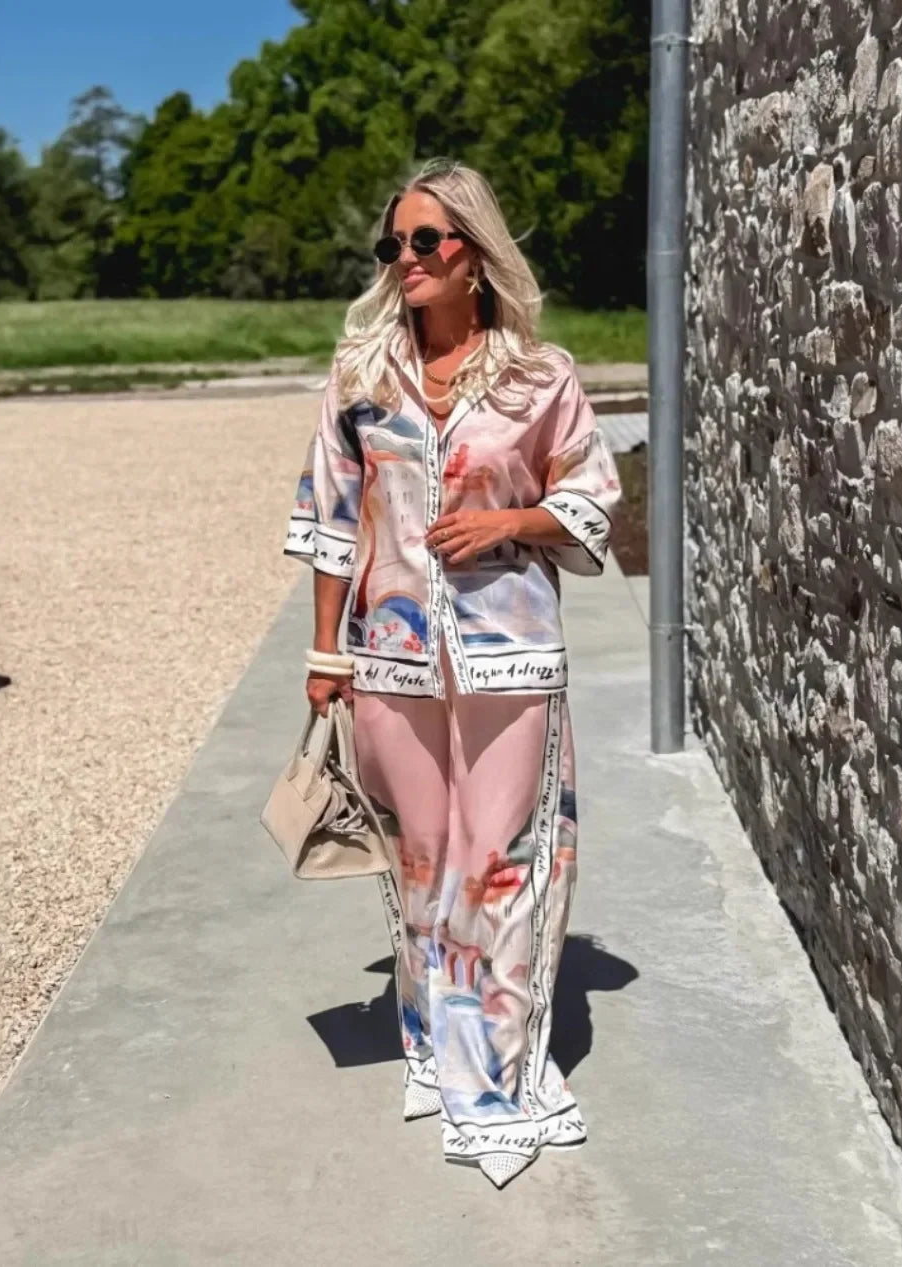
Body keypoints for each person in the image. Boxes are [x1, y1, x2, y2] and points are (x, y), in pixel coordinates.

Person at [284, 157, 623, 1188]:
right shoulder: (358, 377)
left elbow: (593, 496)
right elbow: (329, 524)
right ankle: (435, 1039)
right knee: (425, 866)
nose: (405, 260)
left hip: (508, 654)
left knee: (502, 862)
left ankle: (490, 1083)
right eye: (393, 244)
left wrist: (511, 521)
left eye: (425, 241)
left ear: (472, 252)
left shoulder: (538, 376)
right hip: (388, 663)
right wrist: (324, 653)